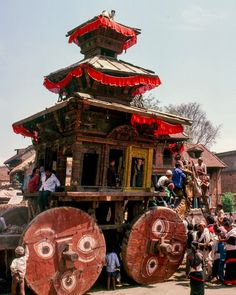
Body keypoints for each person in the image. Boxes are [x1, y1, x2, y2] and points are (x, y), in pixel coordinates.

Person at [223, 219, 236, 285]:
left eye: (226, 228)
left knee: (231, 267)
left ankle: (231, 281)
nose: (226, 229)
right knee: (230, 267)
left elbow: (233, 242)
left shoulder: (233, 232)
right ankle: (231, 281)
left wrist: (223, 240)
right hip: (230, 251)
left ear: (229, 226)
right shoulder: (230, 232)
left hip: (233, 252)